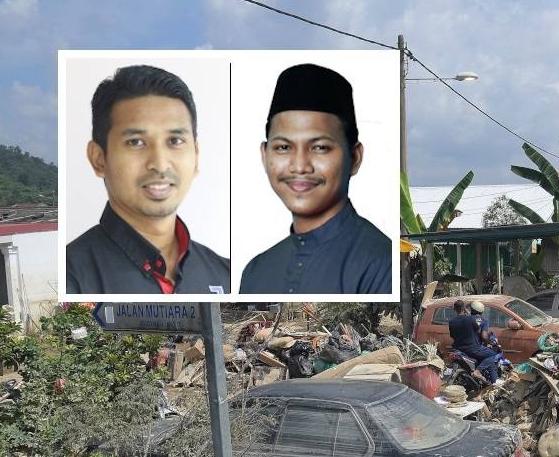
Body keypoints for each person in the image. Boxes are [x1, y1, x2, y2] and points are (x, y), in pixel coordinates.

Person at [67, 65, 230, 294]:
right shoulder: (73, 278)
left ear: (196, 156)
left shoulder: (226, 274)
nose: (160, 163)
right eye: (136, 142)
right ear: (99, 158)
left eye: (175, 140)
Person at [239, 63, 391, 295]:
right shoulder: (255, 272)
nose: (300, 165)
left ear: (355, 157)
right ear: (264, 154)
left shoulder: (380, 264)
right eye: (283, 147)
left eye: (320, 147)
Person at [448, 300, 498, 384]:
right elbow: (480, 333)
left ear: (454, 309)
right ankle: (478, 371)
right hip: (472, 349)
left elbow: (452, 335)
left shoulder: (451, 322)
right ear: (464, 308)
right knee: (492, 354)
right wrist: (489, 341)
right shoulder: (471, 319)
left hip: (458, 348)